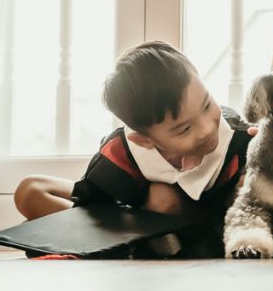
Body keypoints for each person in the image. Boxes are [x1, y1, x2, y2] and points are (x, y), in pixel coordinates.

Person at [14, 41, 252, 232]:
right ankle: (99, 237)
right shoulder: (121, 152)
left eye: (206, 104)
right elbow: (95, 198)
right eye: (184, 129)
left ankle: (114, 238)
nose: (206, 129)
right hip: (124, 214)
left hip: (199, 223)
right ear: (144, 139)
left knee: (163, 199)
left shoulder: (239, 138)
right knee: (29, 191)